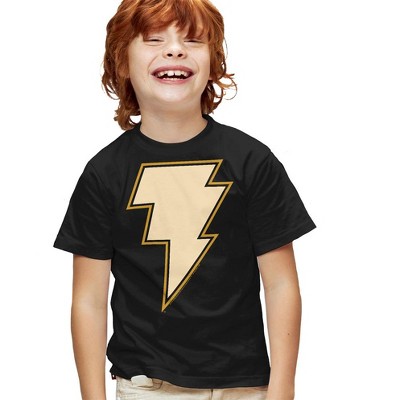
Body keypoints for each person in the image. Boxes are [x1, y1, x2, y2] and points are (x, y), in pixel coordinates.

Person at [53, 0, 316, 399]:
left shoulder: (252, 161)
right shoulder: (104, 173)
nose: (175, 50)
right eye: (154, 39)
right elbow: (88, 300)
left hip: (245, 386)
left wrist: (282, 390)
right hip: (147, 387)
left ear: (213, 63)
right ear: (122, 61)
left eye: (192, 40)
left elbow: (281, 284)